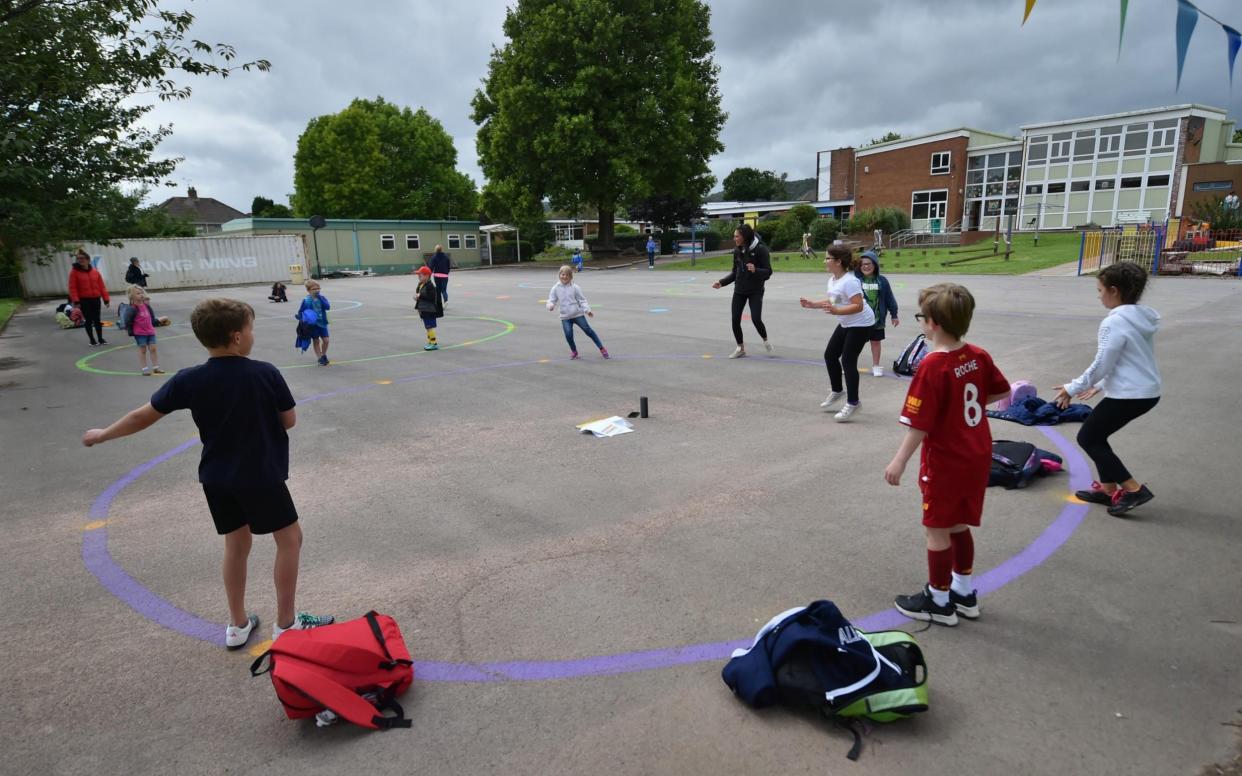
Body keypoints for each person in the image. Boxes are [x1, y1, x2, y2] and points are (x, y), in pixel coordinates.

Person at [82, 298, 334, 648]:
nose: (252, 334)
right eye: (250, 328)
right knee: (290, 540)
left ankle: (237, 624)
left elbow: (144, 414)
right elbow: (289, 419)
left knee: (236, 544)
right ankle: (286, 624)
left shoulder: (190, 379)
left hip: (217, 477)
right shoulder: (264, 373)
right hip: (260, 475)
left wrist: (103, 434)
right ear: (236, 337)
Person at [884, 283, 1010, 626]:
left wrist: (899, 461)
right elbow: (1003, 391)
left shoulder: (932, 366)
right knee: (958, 524)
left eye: (921, 317)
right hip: (977, 452)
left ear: (933, 324)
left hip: (947, 458)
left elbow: (919, 424)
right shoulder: (977, 355)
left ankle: (938, 599)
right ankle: (964, 593)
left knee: (936, 528)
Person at [1054, 261, 1160, 516]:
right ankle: (1107, 489)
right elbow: (1129, 358)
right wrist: (1101, 385)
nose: (1099, 297)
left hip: (1132, 394)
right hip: (1144, 391)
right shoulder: (1140, 318)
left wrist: (1072, 387)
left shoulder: (1114, 322)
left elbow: (1102, 362)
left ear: (1114, 290)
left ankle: (1133, 489)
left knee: (1088, 437)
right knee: (1096, 435)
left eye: (1100, 291)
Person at [799, 245, 875, 421]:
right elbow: (836, 299)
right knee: (830, 355)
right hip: (847, 322)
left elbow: (858, 305)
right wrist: (813, 304)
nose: (824, 261)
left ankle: (854, 402)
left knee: (848, 360)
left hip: (862, 324)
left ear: (839, 262)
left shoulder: (850, 281)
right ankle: (837, 391)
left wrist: (836, 312)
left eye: (828, 258)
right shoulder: (833, 280)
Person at [712, 224, 773, 358]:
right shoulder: (737, 251)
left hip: (755, 290)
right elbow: (735, 272)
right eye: (734, 236)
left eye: (736, 236)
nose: (734, 239)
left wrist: (756, 270)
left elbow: (768, 272)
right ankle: (740, 348)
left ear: (744, 237)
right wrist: (721, 282)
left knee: (756, 319)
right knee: (735, 320)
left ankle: (765, 339)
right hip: (739, 290)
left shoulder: (761, 250)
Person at [547, 264, 608, 359]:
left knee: (588, 331)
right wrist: (550, 305)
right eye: (562, 274)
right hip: (565, 316)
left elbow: (582, 300)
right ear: (559, 275)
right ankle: (574, 351)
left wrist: (587, 310)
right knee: (568, 334)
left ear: (570, 277)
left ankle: (602, 348)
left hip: (577, 314)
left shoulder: (575, 287)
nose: (564, 276)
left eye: (567, 275)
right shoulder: (556, 288)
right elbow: (551, 299)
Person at [855, 250, 900, 377]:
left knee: (875, 342)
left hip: (877, 319)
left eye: (869, 263)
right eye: (863, 264)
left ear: (875, 265)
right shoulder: (856, 280)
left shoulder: (882, 281)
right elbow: (845, 295)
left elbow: (889, 298)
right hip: (859, 320)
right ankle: (850, 364)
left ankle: (876, 365)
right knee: (855, 343)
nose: (866, 266)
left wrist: (894, 314)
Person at [119, 285, 166, 376]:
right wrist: (128, 330)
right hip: (140, 333)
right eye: (138, 293)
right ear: (131, 296)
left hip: (150, 331)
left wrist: (159, 321)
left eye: (141, 293)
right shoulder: (132, 308)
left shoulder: (147, 306)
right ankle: (145, 369)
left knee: (153, 349)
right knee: (143, 350)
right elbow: (127, 320)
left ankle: (156, 367)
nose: (141, 295)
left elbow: (152, 320)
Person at [68, 248, 110, 347]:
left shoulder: (95, 272)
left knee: (97, 320)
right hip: (84, 300)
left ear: (88, 259)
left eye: (82, 258)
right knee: (89, 320)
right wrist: (76, 301)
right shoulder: (74, 272)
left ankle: (100, 338)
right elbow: (72, 288)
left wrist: (106, 299)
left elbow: (101, 286)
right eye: (78, 259)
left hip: (95, 299)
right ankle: (92, 340)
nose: (80, 260)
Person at [296, 279, 331, 366]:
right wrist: (301, 318)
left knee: (326, 340)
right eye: (314, 289)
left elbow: (327, 307)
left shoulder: (322, 298)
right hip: (313, 325)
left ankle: (323, 354)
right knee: (316, 341)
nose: (317, 290)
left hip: (322, 323)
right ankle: (319, 358)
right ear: (308, 290)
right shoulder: (306, 300)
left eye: (318, 288)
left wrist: (320, 298)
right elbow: (301, 311)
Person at [414, 266, 444, 350]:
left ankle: (434, 343)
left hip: (429, 310)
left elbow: (431, 297)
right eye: (418, 275)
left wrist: (420, 296)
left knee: (429, 327)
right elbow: (419, 293)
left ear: (427, 276)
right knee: (427, 327)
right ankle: (430, 341)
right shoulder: (421, 284)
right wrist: (417, 296)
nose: (418, 277)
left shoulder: (430, 286)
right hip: (424, 309)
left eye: (420, 275)